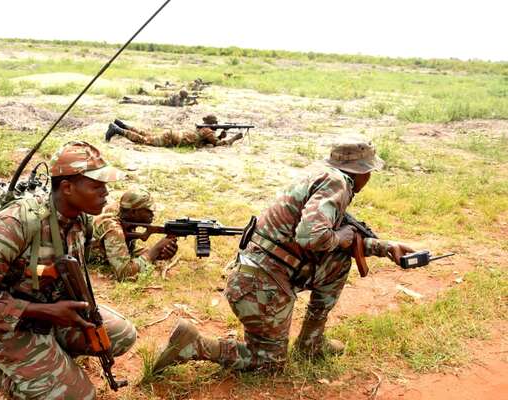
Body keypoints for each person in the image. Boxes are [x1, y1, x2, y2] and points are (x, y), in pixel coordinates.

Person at [152, 135, 415, 373]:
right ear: (362, 171)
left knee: (337, 260)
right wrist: (340, 237)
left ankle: (311, 343)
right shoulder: (337, 184)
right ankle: (195, 344)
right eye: (369, 171)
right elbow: (311, 236)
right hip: (261, 289)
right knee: (268, 363)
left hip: (254, 280)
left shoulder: (319, 175)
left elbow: (335, 242)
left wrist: (386, 247)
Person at [0, 141, 137, 400]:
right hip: (4, 327)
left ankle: (51, 361)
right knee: (78, 396)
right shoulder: (16, 224)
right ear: (67, 187)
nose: (106, 194)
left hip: (52, 315)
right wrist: (44, 311)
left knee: (121, 335)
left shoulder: (79, 220)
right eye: (97, 186)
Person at [92, 189, 178, 281]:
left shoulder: (125, 212)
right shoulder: (113, 227)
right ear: (134, 212)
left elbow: (129, 251)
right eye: (148, 211)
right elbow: (124, 273)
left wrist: (160, 254)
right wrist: (154, 251)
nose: (152, 214)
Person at [104, 115, 243, 148]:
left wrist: (222, 134)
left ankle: (122, 125)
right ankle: (118, 130)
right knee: (145, 140)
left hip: (172, 135)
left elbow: (211, 141)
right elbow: (218, 144)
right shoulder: (207, 131)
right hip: (172, 139)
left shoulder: (204, 129)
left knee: (146, 134)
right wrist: (234, 138)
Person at [119, 89, 198, 107]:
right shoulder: (178, 97)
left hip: (160, 101)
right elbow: (178, 105)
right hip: (159, 102)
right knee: (142, 102)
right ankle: (126, 101)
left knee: (143, 100)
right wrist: (191, 103)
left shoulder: (179, 96)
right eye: (185, 95)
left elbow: (182, 103)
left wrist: (190, 101)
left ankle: (129, 99)